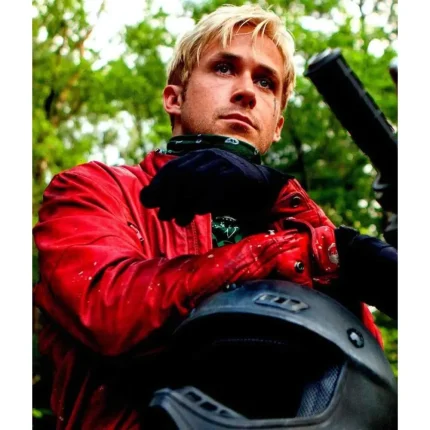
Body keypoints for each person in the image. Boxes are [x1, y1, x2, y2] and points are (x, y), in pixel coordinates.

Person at [33, 4, 387, 429]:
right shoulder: (94, 188)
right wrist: (298, 255)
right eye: (223, 68)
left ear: (277, 125)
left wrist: (284, 203)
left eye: (265, 82)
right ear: (174, 98)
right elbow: (108, 310)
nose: (247, 92)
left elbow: (367, 385)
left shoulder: (302, 230)